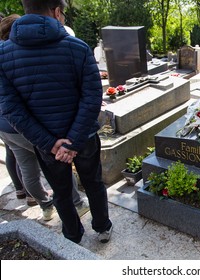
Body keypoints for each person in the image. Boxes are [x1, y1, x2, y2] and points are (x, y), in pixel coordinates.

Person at [0, 0, 112, 244]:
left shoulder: (2, 55)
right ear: (57, 11)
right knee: (93, 183)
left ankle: (72, 235)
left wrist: (50, 144)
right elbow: (92, 98)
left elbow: (10, 108)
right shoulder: (78, 47)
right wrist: (72, 142)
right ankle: (102, 227)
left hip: (46, 143)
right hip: (83, 138)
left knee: (61, 192)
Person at [0, 13, 89, 219]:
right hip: (26, 128)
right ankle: (77, 203)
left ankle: (45, 206)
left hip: (5, 128)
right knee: (59, 164)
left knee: (27, 169)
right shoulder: (22, 55)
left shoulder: (4, 55)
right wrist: (51, 142)